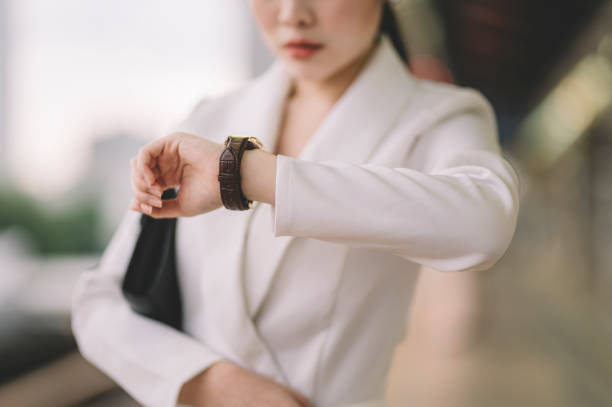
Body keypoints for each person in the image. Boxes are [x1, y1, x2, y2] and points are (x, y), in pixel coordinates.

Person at [71, 1, 520, 406]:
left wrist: (243, 173)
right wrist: (212, 383)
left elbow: (484, 224)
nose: (292, 14)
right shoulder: (209, 117)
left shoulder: (437, 117)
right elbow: (97, 304)